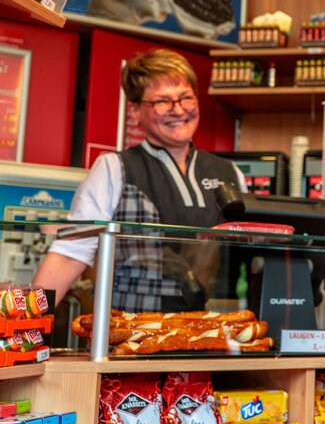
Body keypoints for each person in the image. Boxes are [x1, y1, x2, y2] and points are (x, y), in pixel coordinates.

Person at [33, 49, 245, 312]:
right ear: (134, 110)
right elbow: (70, 254)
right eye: (162, 101)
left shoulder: (230, 173)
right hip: (131, 339)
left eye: (186, 97)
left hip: (213, 335)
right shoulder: (114, 168)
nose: (178, 110)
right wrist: (24, 324)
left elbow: (248, 260)